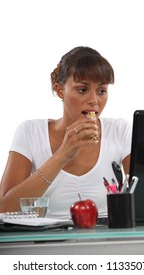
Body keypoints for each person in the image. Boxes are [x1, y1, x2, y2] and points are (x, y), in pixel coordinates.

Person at [0, 46, 131, 219]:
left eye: (101, 91)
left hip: (109, 240)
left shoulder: (120, 131)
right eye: (82, 90)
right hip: (48, 242)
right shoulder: (30, 132)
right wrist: (62, 155)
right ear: (60, 90)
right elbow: (4, 208)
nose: (94, 101)